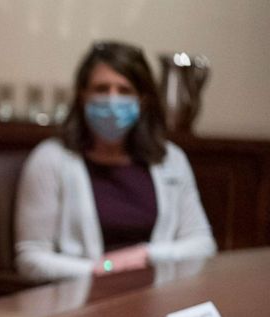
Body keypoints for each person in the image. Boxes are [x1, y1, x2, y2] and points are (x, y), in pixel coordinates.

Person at [14, 41, 216, 282]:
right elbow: (31, 259)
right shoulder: (50, 159)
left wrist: (145, 255)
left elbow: (203, 245)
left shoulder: (170, 159)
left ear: (142, 99)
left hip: (156, 296)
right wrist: (102, 269)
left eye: (124, 90)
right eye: (101, 89)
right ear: (82, 95)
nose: (112, 100)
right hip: (78, 299)